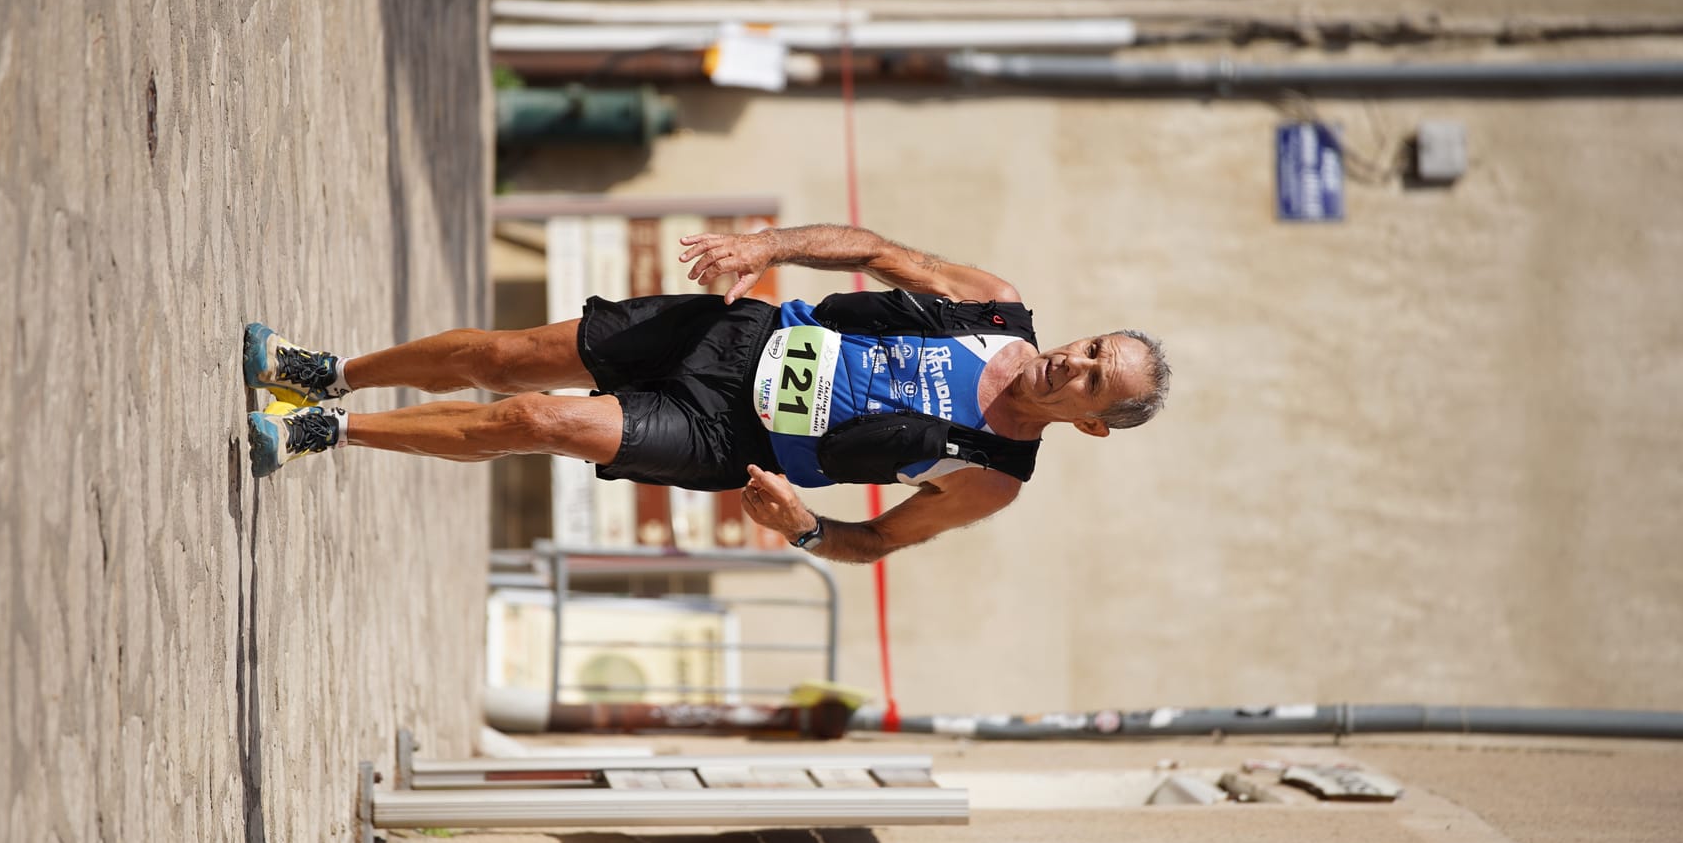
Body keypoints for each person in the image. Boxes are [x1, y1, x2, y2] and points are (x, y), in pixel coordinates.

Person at [243, 224, 1169, 564]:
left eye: (1093, 381)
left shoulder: (996, 473)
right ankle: (329, 370)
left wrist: (800, 527)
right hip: (735, 334)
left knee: (537, 421)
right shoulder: (994, 308)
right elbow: (880, 251)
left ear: (1091, 423)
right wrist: (770, 247)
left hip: (727, 437)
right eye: (1090, 348)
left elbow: (878, 540)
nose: (1072, 365)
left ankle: (330, 429)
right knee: (507, 354)